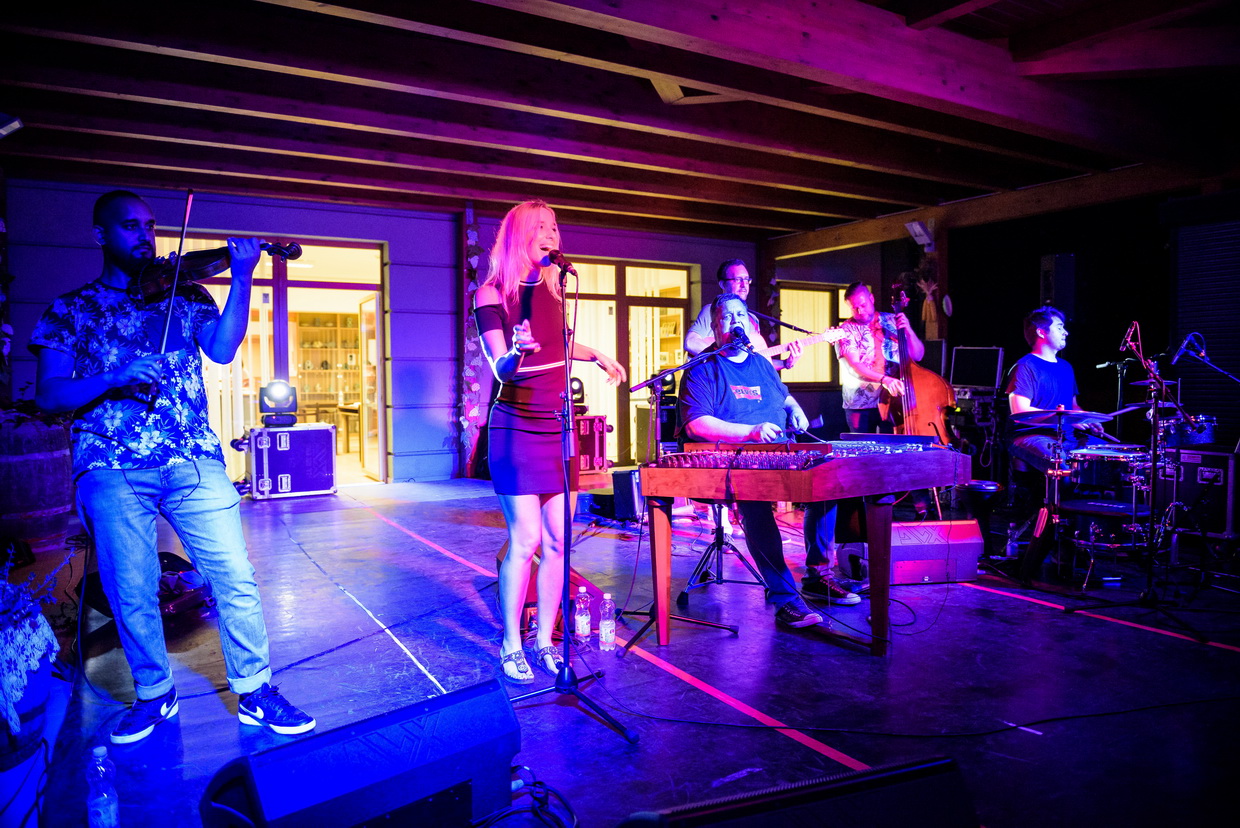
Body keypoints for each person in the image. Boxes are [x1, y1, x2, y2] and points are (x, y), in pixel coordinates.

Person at [30, 190, 315, 744]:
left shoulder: (187, 293)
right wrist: (112, 378)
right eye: (130, 226)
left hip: (191, 458)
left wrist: (242, 276)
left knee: (234, 576)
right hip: (111, 463)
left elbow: (224, 350)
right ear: (101, 235)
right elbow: (49, 395)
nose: (145, 235)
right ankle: (154, 695)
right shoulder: (70, 309)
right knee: (131, 589)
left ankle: (255, 691)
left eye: (151, 225)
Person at [474, 200, 626, 684]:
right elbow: (501, 368)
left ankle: (544, 641)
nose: (551, 234)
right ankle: (511, 643)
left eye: (555, 227)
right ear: (518, 234)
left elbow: (559, 342)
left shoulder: (558, 285)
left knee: (560, 541)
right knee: (526, 540)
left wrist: (596, 354)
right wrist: (517, 352)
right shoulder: (492, 293)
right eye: (540, 227)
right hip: (517, 425)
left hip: (559, 423)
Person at [677, 293, 829, 628]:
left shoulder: (760, 363)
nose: (736, 322)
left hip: (780, 452)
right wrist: (751, 432)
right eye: (727, 317)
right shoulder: (701, 368)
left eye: (741, 316)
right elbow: (696, 424)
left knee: (830, 482)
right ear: (715, 327)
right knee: (755, 505)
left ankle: (819, 573)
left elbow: (782, 396)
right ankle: (786, 599)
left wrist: (794, 409)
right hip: (735, 460)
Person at [1005, 305, 1106, 473]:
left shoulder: (1066, 367)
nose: (1066, 332)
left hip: (1067, 436)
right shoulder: (1025, 366)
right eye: (1059, 328)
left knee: (1107, 458)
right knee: (1063, 466)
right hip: (1031, 436)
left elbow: (1073, 406)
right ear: (1041, 332)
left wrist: (1085, 419)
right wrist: (1065, 418)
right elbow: (1020, 411)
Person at [835, 281, 925, 434]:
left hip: (894, 401)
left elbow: (918, 355)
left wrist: (908, 330)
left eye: (863, 305)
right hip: (861, 404)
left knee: (894, 445)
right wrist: (885, 380)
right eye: (854, 308)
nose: (860, 311)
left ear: (871, 298)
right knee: (862, 447)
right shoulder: (845, 330)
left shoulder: (892, 320)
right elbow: (854, 367)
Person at [683, 259, 799, 370]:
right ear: (723, 284)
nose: (744, 285)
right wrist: (727, 362)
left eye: (747, 280)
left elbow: (756, 363)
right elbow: (690, 342)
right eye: (738, 280)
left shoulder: (753, 319)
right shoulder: (712, 312)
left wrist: (786, 363)